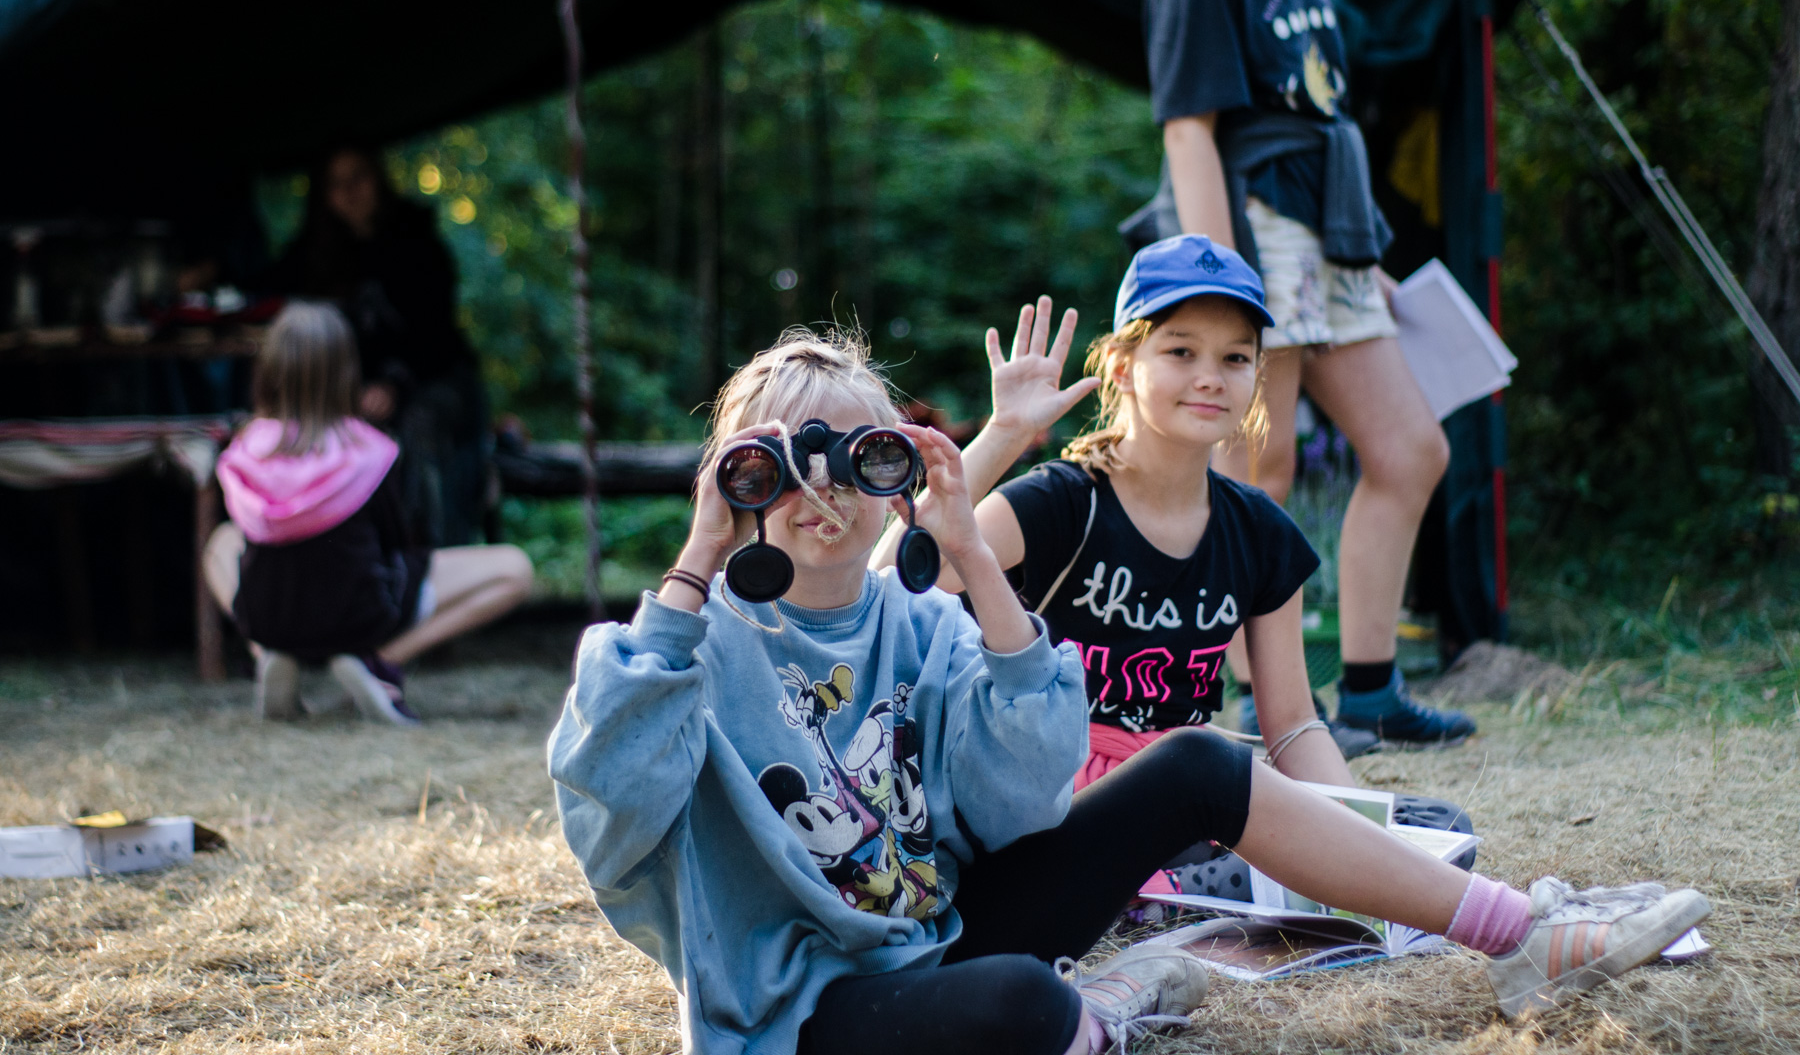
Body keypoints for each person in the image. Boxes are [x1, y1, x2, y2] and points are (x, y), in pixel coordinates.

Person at [550, 327, 1709, 1055]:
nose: (822, 496)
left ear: (894, 471)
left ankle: (1518, 933)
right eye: (780, 466)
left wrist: (974, 561)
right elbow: (610, 814)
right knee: (1022, 1006)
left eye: (857, 461)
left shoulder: (920, 619)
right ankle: (1095, 1012)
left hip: (941, 934)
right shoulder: (688, 646)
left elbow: (1023, 799)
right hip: (803, 1009)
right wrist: (696, 561)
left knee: (1201, 759)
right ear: (737, 481)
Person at [881, 241, 1466, 903]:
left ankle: (1203, 882)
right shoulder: (1061, 502)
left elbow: (1294, 726)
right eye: (1182, 351)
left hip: (1187, 785)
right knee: (1203, 787)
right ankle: (1180, 888)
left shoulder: (1261, 532)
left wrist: (1357, 832)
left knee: (1435, 828)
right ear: (1123, 368)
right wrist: (1005, 434)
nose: (1210, 377)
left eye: (1235, 358)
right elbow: (886, 588)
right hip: (1048, 791)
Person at [1128, 0, 1473, 745]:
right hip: (1255, 222)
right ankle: (1267, 707)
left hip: (1328, 231)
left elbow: (1317, 106)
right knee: (1260, 468)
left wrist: (1359, 255)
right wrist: (1220, 283)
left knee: (1410, 450)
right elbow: (1188, 130)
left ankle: (1371, 691)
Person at [203, 302, 533, 724]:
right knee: (514, 568)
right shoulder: (371, 451)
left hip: (271, 614)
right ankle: (377, 662)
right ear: (347, 373)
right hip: (360, 617)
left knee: (220, 542)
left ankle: (267, 651)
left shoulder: (245, 452)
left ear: (268, 372)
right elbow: (394, 543)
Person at [265, 146, 489, 546]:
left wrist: (395, 383)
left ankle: (434, 550)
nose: (350, 191)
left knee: (419, 428)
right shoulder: (311, 256)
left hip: (435, 383)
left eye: (359, 177)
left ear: (378, 180)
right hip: (351, 394)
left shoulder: (419, 244)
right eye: (337, 183)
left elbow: (436, 335)